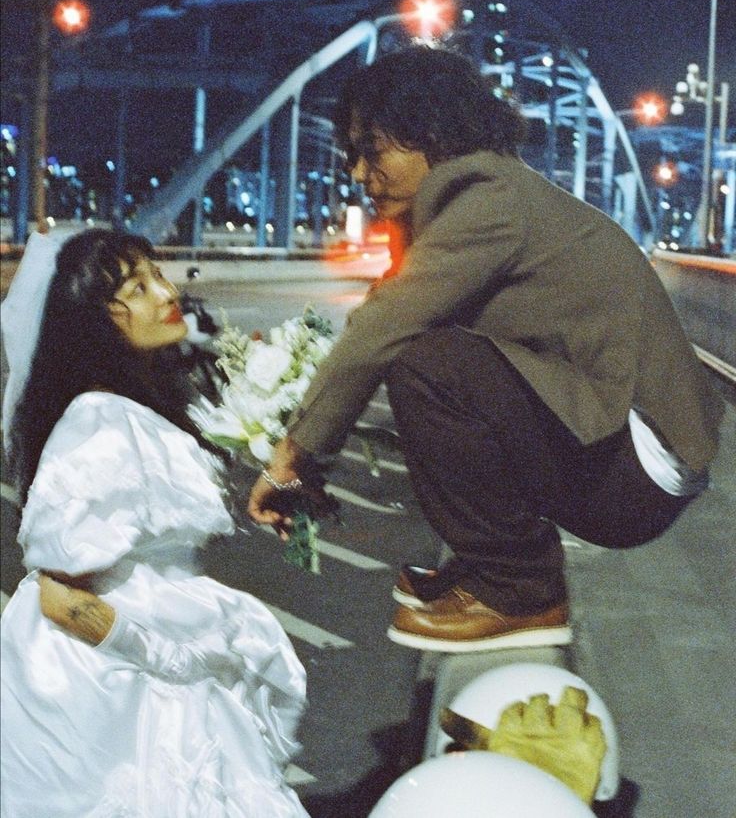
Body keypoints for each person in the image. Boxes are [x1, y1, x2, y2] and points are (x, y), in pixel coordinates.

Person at [248, 45, 724, 653]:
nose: (360, 175)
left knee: (426, 363)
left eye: (372, 151)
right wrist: (313, 454)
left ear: (432, 135)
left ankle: (519, 589)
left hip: (637, 470)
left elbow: (381, 331)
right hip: (623, 450)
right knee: (431, 355)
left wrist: (292, 457)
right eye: (353, 157)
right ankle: (490, 569)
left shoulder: (488, 203)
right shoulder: (481, 199)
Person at [0, 228, 309, 817]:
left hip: (155, 650)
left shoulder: (130, 403)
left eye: (158, 275)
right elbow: (59, 597)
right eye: (137, 287)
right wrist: (173, 660)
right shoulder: (97, 423)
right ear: (96, 321)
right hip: (119, 677)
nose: (165, 292)